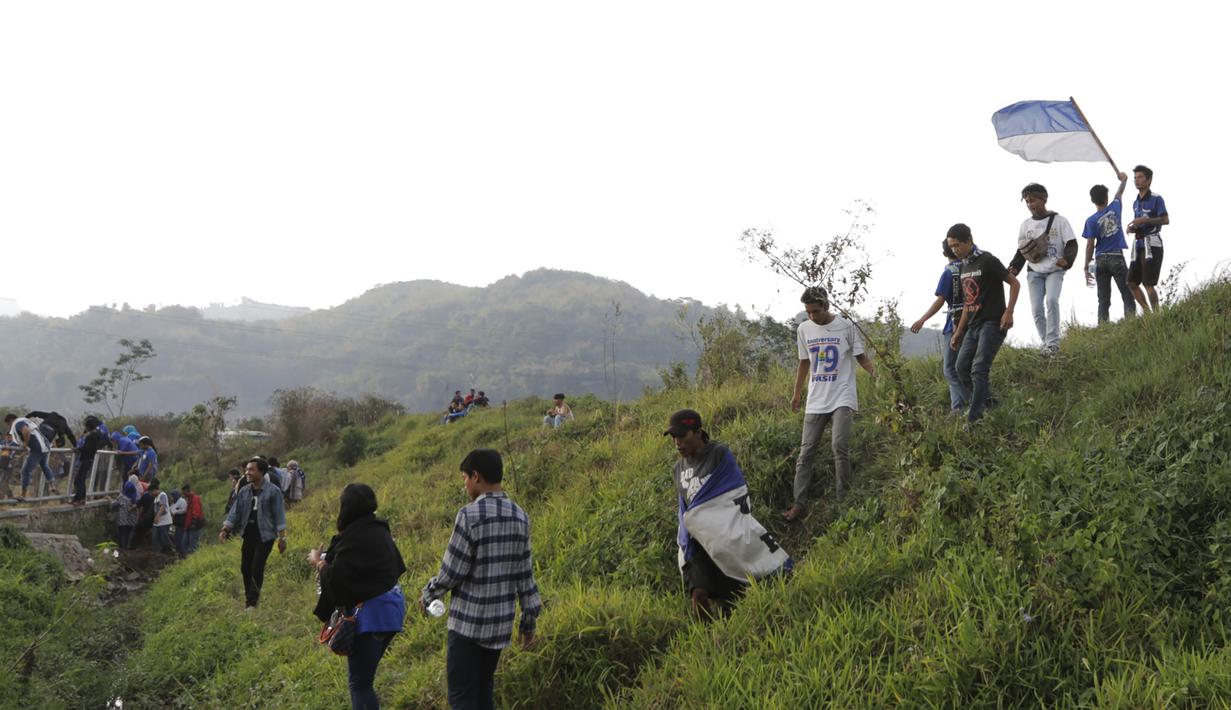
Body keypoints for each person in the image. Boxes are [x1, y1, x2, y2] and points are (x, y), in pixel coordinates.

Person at [420, 449, 541, 710]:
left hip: (468, 626)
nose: (464, 484)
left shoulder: (469, 515)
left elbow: (452, 571)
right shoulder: (520, 516)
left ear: (476, 477)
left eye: (465, 478)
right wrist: (528, 622)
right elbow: (525, 576)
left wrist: (429, 593)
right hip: (500, 626)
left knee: (462, 695)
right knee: (484, 690)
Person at [666, 409, 792, 620]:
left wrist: (704, 514)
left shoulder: (719, 455)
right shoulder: (678, 469)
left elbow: (732, 492)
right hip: (697, 540)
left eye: (682, 436)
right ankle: (706, 639)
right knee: (698, 594)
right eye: (673, 437)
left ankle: (731, 631)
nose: (678, 442)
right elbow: (685, 507)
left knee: (733, 596)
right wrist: (686, 534)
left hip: (724, 534)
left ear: (698, 432)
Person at [309, 484, 407, 710]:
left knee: (360, 684)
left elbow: (338, 582)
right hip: (392, 610)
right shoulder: (379, 529)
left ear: (346, 507)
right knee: (365, 679)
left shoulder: (353, 538)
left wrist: (320, 562)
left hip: (370, 616)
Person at [785, 287, 875, 521]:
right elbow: (804, 363)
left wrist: (879, 373)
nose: (812, 316)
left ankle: (843, 499)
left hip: (842, 395)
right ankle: (799, 503)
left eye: (815, 311)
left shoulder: (846, 326)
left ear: (826, 305)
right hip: (816, 399)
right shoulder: (804, 329)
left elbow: (861, 357)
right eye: (808, 312)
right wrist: (797, 394)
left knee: (839, 446)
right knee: (805, 453)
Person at [948, 223, 1021, 424]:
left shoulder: (987, 260)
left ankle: (975, 418)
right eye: (951, 247)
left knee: (979, 368)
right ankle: (987, 403)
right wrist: (958, 332)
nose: (954, 250)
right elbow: (967, 303)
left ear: (969, 241)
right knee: (961, 367)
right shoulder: (963, 266)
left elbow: (1014, 283)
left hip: (992, 322)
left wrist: (1009, 311)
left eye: (957, 245)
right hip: (972, 326)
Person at [1008, 183, 1077, 356]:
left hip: (1054, 269)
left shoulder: (1060, 221)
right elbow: (1022, 250)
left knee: (1052, 301)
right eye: (1027, 202)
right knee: (1036, 309)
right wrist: (1014, 267)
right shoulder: (1025, 225)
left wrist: (1067, 260)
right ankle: (1046, 343)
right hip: (1034, 271)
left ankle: (1053, 343)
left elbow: (1072, 243)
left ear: (1044, 199)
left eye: (1033, 200)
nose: (1031, 205)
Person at [220, 457, 288, 608]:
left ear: (261, 472)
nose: (247, 472)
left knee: (257, 567)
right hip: (248, 534)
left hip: (266, 536)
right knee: (245, 567)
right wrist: (225, 529)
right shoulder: (244, 491)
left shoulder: (273, 491)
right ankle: (249, 597)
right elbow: (235, 512)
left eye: (251, 469)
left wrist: (282, 539)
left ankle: (252, 602)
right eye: (247, 469)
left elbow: (279, 516)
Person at [910, 239, 966, 414]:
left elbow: (941, 300)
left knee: (950, 368)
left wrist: (922, 319)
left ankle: (961, 406)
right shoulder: (969, 267)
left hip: (955, 323)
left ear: (944, 254)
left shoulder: (949, 272)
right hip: (974, 320)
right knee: (966, 365)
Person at [1082, 172, 1136, 324]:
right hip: (1116, 257)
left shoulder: (1091, 220)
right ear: (1106, 197)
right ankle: (1132, 323)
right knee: (1127, 293)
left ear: (1093, 200)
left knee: (1103, 299)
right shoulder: (1115, 207)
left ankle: (1102, 328)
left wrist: (1086, 267)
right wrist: (1124, 179)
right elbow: (1120, 192)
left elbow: (1089, 245)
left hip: (1100, 260)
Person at [1127, 164, 1170, 313]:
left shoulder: (1156, 199)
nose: (1136, 180)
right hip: (1138, 244)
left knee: (1148, 283)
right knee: (1131, 282)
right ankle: (1147, 313)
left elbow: (1165, 220)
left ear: (1149, 180)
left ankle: (1157, 315)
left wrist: (1145, 221)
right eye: (1135, 178)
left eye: (1140, 177)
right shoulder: (1135, 202)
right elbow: (1139, 223)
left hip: (1153, 244)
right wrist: (1133, 228)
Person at [6, 412, 57, 500]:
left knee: (25, 471)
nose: (10, 426)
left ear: (10, 421)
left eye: (8, 424)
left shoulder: (18, 423)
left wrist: (25, 444)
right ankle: (52, 485)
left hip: (37, 448)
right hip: (45, 445)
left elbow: (26, 431)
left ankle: (23, 494)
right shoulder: (26, 421)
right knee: (44, 465)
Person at [73, 415, 111, 507]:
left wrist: (78, 449)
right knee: (81, 479)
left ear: (89, 426)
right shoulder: (96, 434)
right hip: (89, 459)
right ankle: (80, 499)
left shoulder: (91, 436)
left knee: (79, 480)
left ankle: (79, 499)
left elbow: (87, 448)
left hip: (86, 459)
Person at [115, 474, 141, 549]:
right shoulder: (134, 497)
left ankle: (123, 549)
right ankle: (128, 548)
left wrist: (109, 499)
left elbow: (114, 505)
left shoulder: (121, 497)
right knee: (128, 534)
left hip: (122, 521)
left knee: (122, 534)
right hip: (132, 521)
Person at [179, 483, 204, 555]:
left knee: (193, 545)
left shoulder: (195, 498)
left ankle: (194, 560)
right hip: (188, 526)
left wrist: (194, 523)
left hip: (194, 526)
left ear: (187, 491)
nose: (183, 495)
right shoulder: (189, 499)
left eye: (184, 493)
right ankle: (186, 559)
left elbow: (196, 512)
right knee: (184, 543)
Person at [150, 478, 174, 554]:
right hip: (158, 522)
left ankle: (171, 550)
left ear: (155, 490)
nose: (151, 494)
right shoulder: (156, 498)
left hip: (165, 521)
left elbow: (163, 507)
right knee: (155, 536)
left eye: (151, 492)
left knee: (164, 536)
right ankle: (158, 551)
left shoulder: (162, 495)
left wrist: (157, 516)